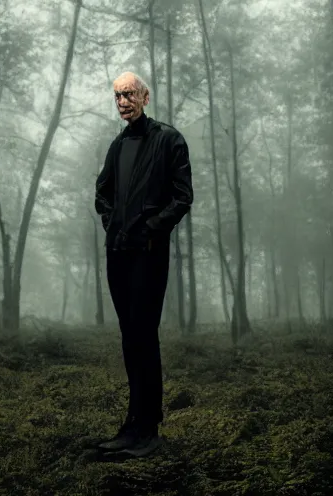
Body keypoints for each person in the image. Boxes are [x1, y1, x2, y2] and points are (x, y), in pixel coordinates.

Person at [93, 71, 193, 457]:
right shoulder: (118, 146)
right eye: (117, 96)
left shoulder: (169, 140)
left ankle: (148, 427)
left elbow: (183, 198)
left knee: (144, 336)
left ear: (146, 97)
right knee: (129, 338)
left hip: (149, 253)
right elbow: (102, 193)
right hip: (117, 253)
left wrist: (150, 228)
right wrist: (113, 223)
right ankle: (133, 424)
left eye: (129, 94)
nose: (122, 102)